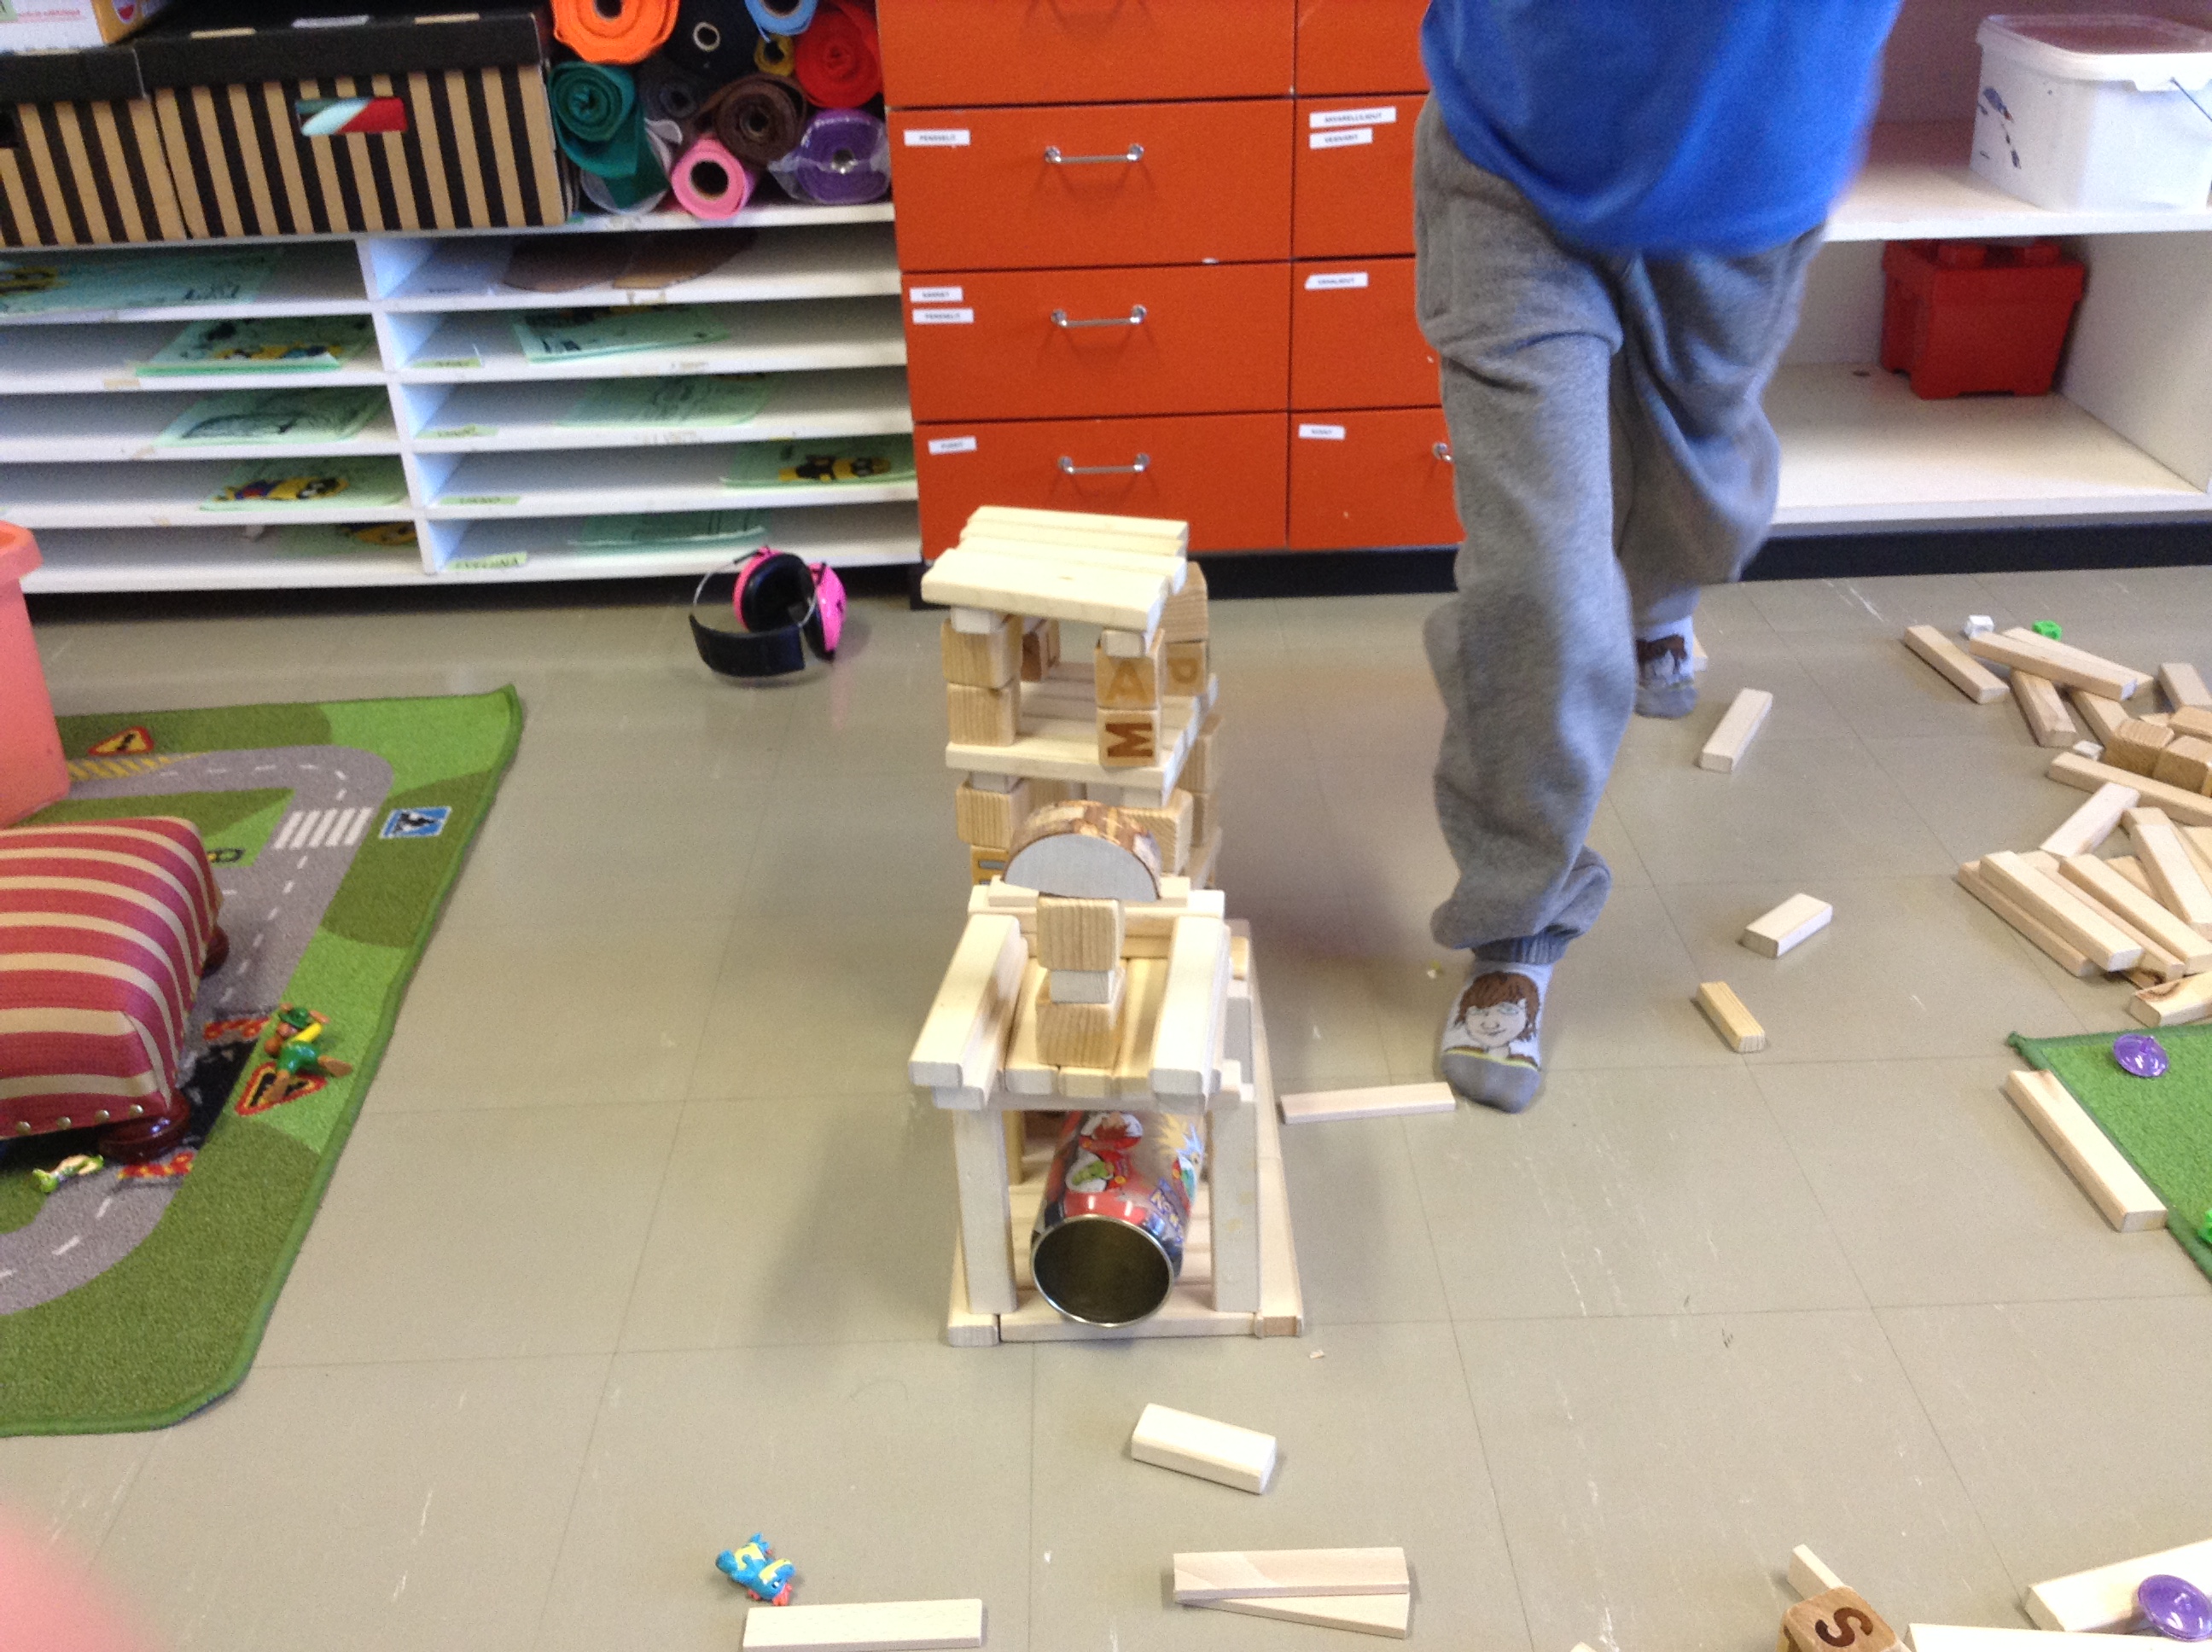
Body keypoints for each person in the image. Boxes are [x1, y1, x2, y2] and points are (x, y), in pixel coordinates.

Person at [1421, 1, 1905, 1112]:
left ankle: (1661, 597)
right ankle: (1517, 930)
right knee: (1542, 586)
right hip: (1513, 163)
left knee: (1703, 491)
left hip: (1748, 191)